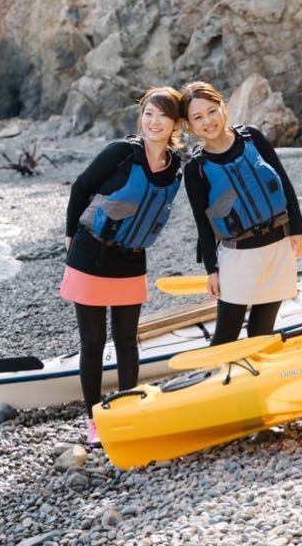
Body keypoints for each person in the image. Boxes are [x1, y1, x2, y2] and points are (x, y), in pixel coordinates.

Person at [59, 87, 183, 446]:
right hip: (90, 255)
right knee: (93, 342)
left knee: (127, 339)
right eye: (148, 114)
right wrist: (69, 236)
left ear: (176, 123)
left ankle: (130, 408)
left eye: (162, 116)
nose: (153, 122)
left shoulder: (176, 166)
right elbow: (80, 188)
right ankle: (94, 419)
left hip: (131, 258)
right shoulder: (121, 153)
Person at [179, 81, 302, 347]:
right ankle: (214, 383)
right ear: (190, 126)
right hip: (237, 256)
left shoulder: (253, 137)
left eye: (212, 111)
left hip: (278, 249)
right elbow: (202, 223)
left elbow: (283, 182)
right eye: (198, 117)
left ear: (223, 108)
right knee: (226, 336)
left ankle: (257, 384)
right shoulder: (196, 169)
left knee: (261, 331)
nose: (208, 121)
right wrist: (211, 270)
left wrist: (298, 228)